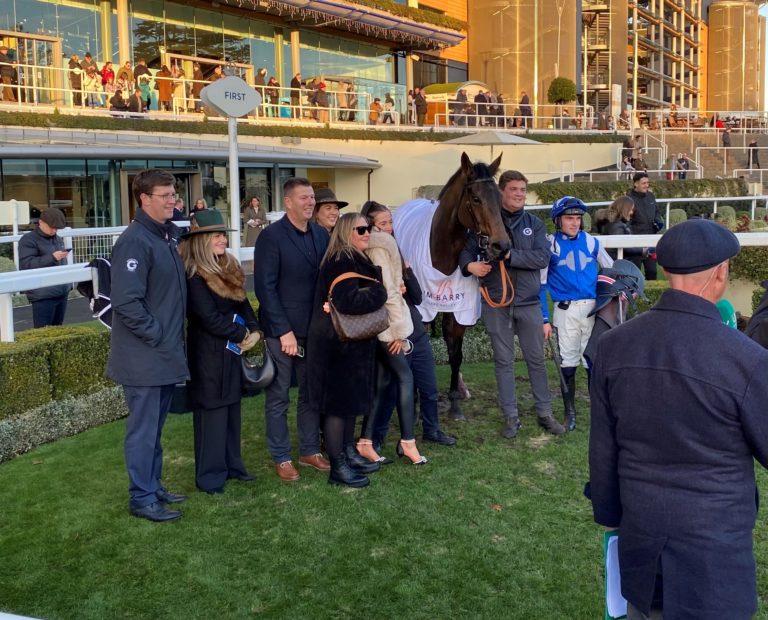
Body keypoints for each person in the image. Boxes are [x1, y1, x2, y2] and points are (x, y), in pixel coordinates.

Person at [589, 218, 768, 620]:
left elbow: (603, 450)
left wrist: (611, 516)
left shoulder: (614, 345)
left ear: (666, 270)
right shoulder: (747, 360)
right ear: (721, 273)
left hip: (641, 537)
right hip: (714, 559)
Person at [106, 169, 189, 522]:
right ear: (144, 199)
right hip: (145, 356)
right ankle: (142, 497)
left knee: (154, 430)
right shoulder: (136, 240)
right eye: (165, 195)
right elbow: (127, 302)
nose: (173, 201)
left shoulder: (162, 236)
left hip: (161, 353)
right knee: (143, 431)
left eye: (174, 195)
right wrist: (158, 335)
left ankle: (152, 487)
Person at [460, 171, 564, 438]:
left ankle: (545, 413)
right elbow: (465, 251)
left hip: (528, 303)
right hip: (496, 303)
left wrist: (509, 255)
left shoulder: (534, 224)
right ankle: (511, 416)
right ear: (501, 192)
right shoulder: (484, 222)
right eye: (514, 189)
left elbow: (542, 258)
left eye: (522, 190)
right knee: (503, 361)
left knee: (536, 360)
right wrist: (469, 266)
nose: (519, 194)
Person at [253, 177, 330, 481]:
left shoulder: (321, 235)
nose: (310, 202)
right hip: (282, 333)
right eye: (304, 198)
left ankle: (309, 451)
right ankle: (281, 456)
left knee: (311, 394)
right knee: (279, 397)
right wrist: (283, 330)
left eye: (312, 197)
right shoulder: (270, 237)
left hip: (315, 330)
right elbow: (265, 288)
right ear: (288, 202)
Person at [179, 209, 260, 494]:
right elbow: (207, 317)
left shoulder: (229, 266)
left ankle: (233, 466)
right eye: (216, 236)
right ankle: (210, 476)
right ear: (201, 240)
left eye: (223, 235)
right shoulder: (193, 274)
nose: (222, 240)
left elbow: (243, 303)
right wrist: (242, 334)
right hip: (208, 354)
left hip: (231, 352)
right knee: (211, 413)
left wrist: (255, 330)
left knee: (231, 410)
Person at [363, 201, 456, 448]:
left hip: (413, 327)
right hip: (391, 332)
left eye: (390, 222)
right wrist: (393, 332)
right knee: (391, 389)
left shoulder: (395, 251)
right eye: (383, 223)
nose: (389, 227)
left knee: (428, 386)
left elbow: (417, 297)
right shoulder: (369, 256)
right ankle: (376, 438)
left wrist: (406, 272)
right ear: (371, 226)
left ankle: (432, 429)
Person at [306, 213, 388, 487]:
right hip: (337, 345)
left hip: (349, 344)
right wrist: (381, 293)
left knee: (349, 404)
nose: (367, 233)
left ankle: (348, 453)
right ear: (345, 232)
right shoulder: (342, 259)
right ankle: (338, 466)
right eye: (361, 229)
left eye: (368, 228)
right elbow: (348, 300)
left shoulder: (352, 257)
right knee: (338, 407)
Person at [542, 196, 613, 431]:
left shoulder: (591, 242)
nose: (574, 223)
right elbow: (540, 285)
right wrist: (544, 318)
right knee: (568, 362)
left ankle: (598, 411)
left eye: (578, 218)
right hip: (566, 311)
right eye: (569, 218)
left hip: (592, 308)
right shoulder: (549, 245)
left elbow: (610, 270)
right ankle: (569, 413)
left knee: (593, 360)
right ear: (558, 220)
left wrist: (616, 295)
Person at [19, 207, 70, 328]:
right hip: (42, 295)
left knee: (59, 331)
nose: (54, 230)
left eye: (56, 228)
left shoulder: (57, 239)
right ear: (41, 222)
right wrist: (52, 257)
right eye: (52, 227)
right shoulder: (28, 240)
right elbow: (26, 265)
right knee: (43, 331)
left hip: (61, 291)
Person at [627, 172, 664, 280]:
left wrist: (658, 222)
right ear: (636, 184)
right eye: (644, 183)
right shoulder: (629, 199)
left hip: (650, 240)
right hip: (636, 242)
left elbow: (657, 212)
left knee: (652, 273)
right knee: (635, 275)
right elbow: (627, 221)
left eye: (648, 183)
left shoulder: (651, 196)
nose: (647, 185)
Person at [598, 196, 648, 262]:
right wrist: (643, 250)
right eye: (630, 210)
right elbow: (622, 244)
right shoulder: (616, 225)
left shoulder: (615, 223)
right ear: (625, 209)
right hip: (616, 262)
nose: (632, 212)